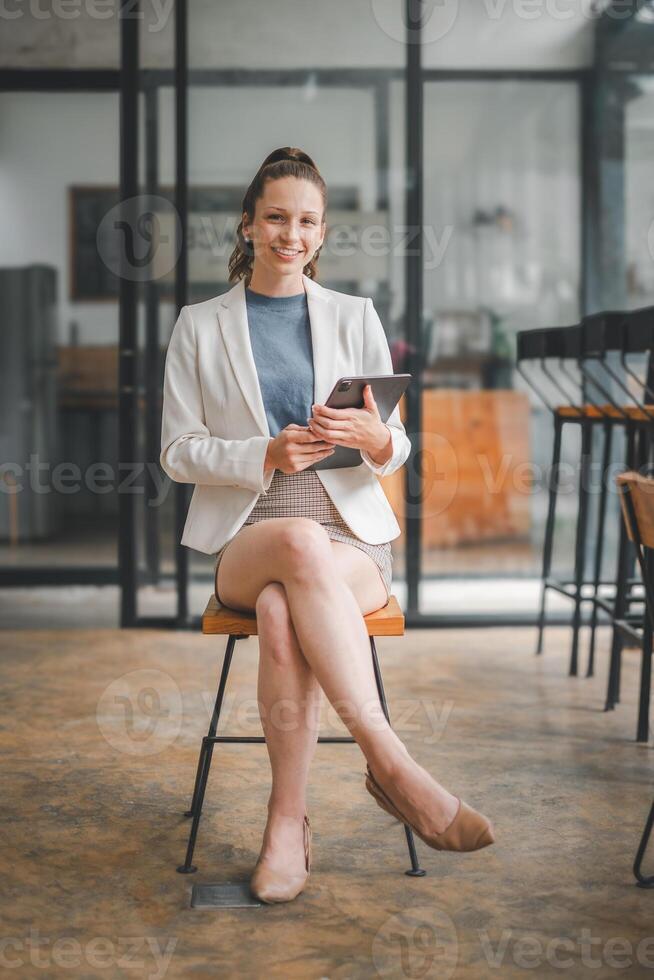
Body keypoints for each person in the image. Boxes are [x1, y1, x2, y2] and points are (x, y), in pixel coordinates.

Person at [160, 147, 494, 904]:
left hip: (349, 541)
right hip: (250, 532)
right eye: (275, 216)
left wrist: (382, 442)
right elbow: (177, 453)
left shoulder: (355, 316)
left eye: (306, 220)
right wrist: (265, 453)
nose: (290, 233)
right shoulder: (199, 325)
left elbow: (392, 442)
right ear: (247, 225)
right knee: (292, 550)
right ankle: (392, 763)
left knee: (285, 608)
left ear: (322, 232)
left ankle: (287, 827)